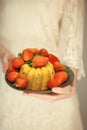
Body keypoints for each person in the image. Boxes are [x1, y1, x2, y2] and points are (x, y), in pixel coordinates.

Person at [0, 0, 85, 130]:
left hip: (53, 75)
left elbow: (73, 26)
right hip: (9, 72)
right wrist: (3, 52)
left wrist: (70, 74)